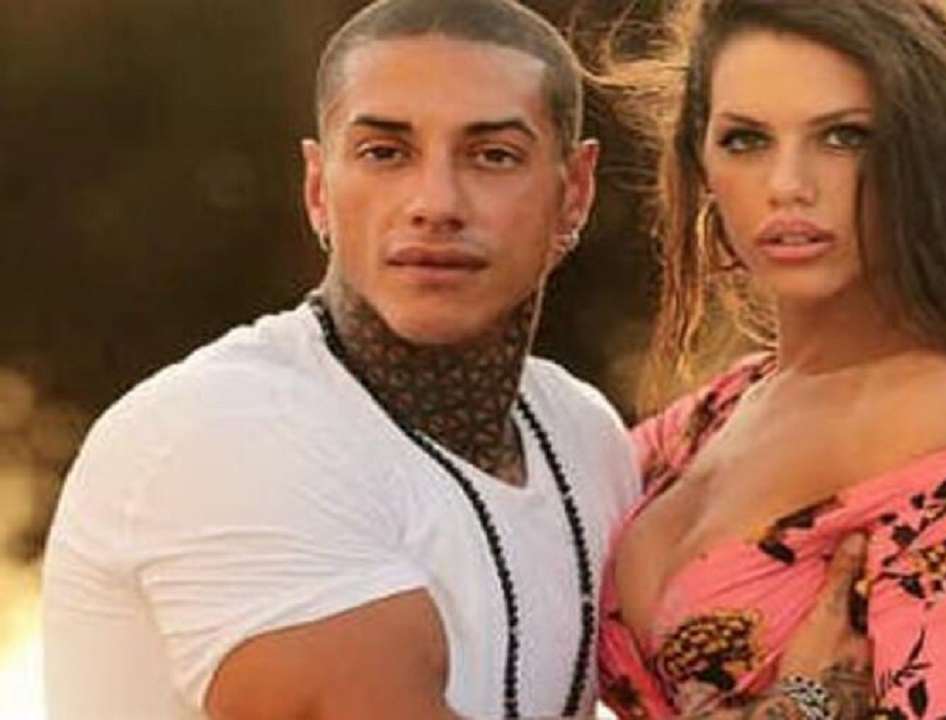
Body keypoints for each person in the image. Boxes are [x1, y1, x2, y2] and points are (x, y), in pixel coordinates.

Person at [41, 1, 643, 717]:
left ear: (574, 192)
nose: (435, 203)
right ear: (317, 189)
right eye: (385, 153)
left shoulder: (584, 434)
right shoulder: (219, 431)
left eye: (493, 156)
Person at [597, 1, 946, 718]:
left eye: (844, 136)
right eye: (746, 140)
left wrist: (803, 705)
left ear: (927, 158)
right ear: (702, 164)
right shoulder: (705, 422)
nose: (788, 184)